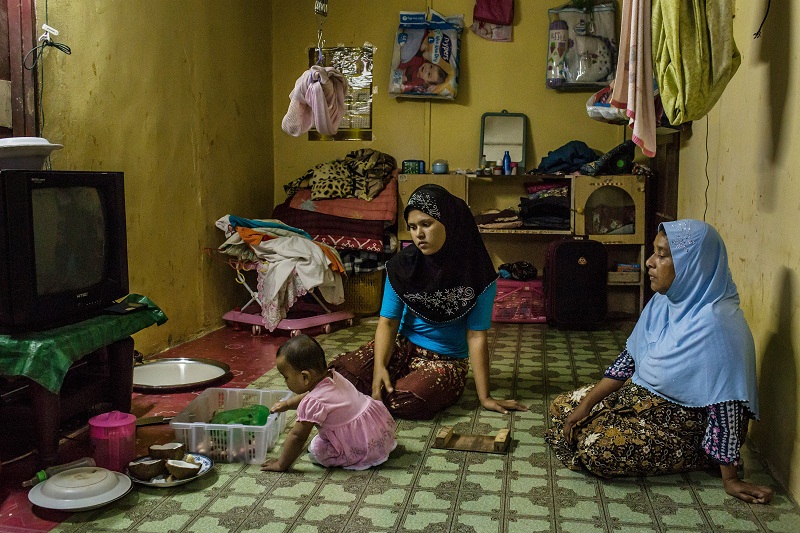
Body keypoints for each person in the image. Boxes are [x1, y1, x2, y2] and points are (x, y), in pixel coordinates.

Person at [545, 219, 773, 504]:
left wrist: (730, 477)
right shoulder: (666, 302)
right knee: (563, 407)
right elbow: (627, 362)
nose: (650, 262)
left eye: (663, 255)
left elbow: (726, 406)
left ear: (693, 265)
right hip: (641, 403)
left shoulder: (718, 325)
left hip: (684, 429)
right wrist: (587, 405)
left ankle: (705, 458)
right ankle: (596, 424)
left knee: (597, 448)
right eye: (654, 252)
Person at [329, 184, 528, 419]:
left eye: (426, 224)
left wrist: (485, 397)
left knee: (407, 401)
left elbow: (476, 336)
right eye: (412, 227)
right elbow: (388, 322)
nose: (418, 235)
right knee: (337, 376)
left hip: (446, 360)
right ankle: (387, 380)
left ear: (449, 222)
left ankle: (396, 385)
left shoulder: (477, 275)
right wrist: (379, 368)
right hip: (400, 348)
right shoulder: (402, 266)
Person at [261, 334, 396, 472]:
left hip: (360, 445)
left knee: (316, 449)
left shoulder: (313, 401)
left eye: (286, 377)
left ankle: (350, 455)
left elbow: (298, 436)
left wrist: (281, 464)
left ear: (305, 377)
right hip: (377, 432)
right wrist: (288, 404)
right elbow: (313, 396)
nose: (285, 382)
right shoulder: (334, 376)